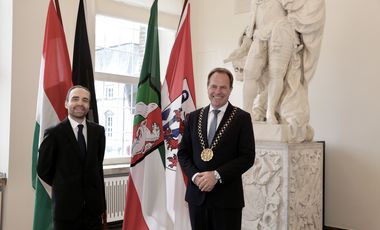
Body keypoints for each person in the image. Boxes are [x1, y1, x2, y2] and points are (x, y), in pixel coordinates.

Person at [178, 67, 255, 230]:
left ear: (231, 90)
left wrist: (216, 175)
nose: (217, 91)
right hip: (197, 197)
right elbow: (183, 153)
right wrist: (195, 176)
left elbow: (247, 157)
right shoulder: (193, 117)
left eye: (223, 87)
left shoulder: (242, 118)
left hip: (227, 200)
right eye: (213, 86)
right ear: (207, 87)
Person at [37, 85, 107, 230]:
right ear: (66, 103)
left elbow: (97, 166)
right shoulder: (54, 134)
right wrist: (63, 183)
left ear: (89, 105)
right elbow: (43, 170)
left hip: (93, 210)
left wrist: (101, 204)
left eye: (85, 100)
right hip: (65, 211)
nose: (80, 103)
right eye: (75, 99)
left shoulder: (98, 132)